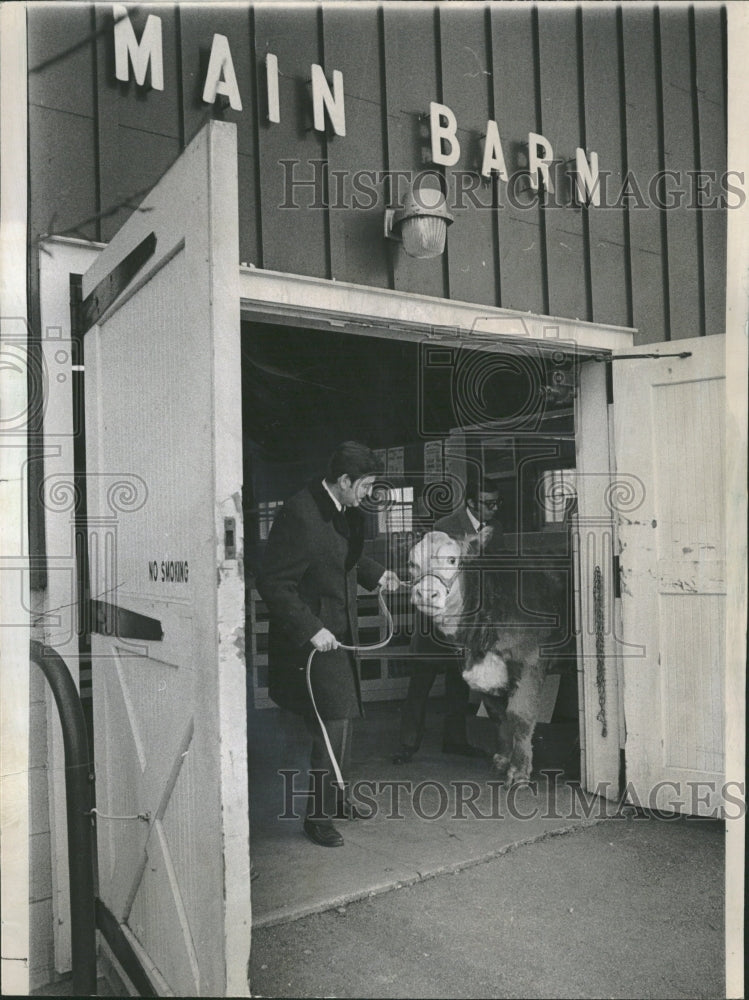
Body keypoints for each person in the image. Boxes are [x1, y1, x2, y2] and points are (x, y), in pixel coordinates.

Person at [257, 441, 401, 848]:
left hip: (340, 633)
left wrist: (377, 575)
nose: (368, 494)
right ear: (343, 480)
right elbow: (274, 582)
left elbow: (343, 557)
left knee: (344, 720)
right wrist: (310, 628)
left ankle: (337, 799)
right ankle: (316, 819)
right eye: (365, 485)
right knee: (331, 723)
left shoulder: (343, 510)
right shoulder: (300, 513)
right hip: (312, 642)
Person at [392, 476, 503, 765]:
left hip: (467, 623)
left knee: (458, 684)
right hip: (436, 621)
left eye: (496, 503)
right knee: (421, 683)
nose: (494, 509)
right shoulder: (445, 528)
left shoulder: (495, 530)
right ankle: (406, 744)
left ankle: (455, 740)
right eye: (488, 504)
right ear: (470, 503)